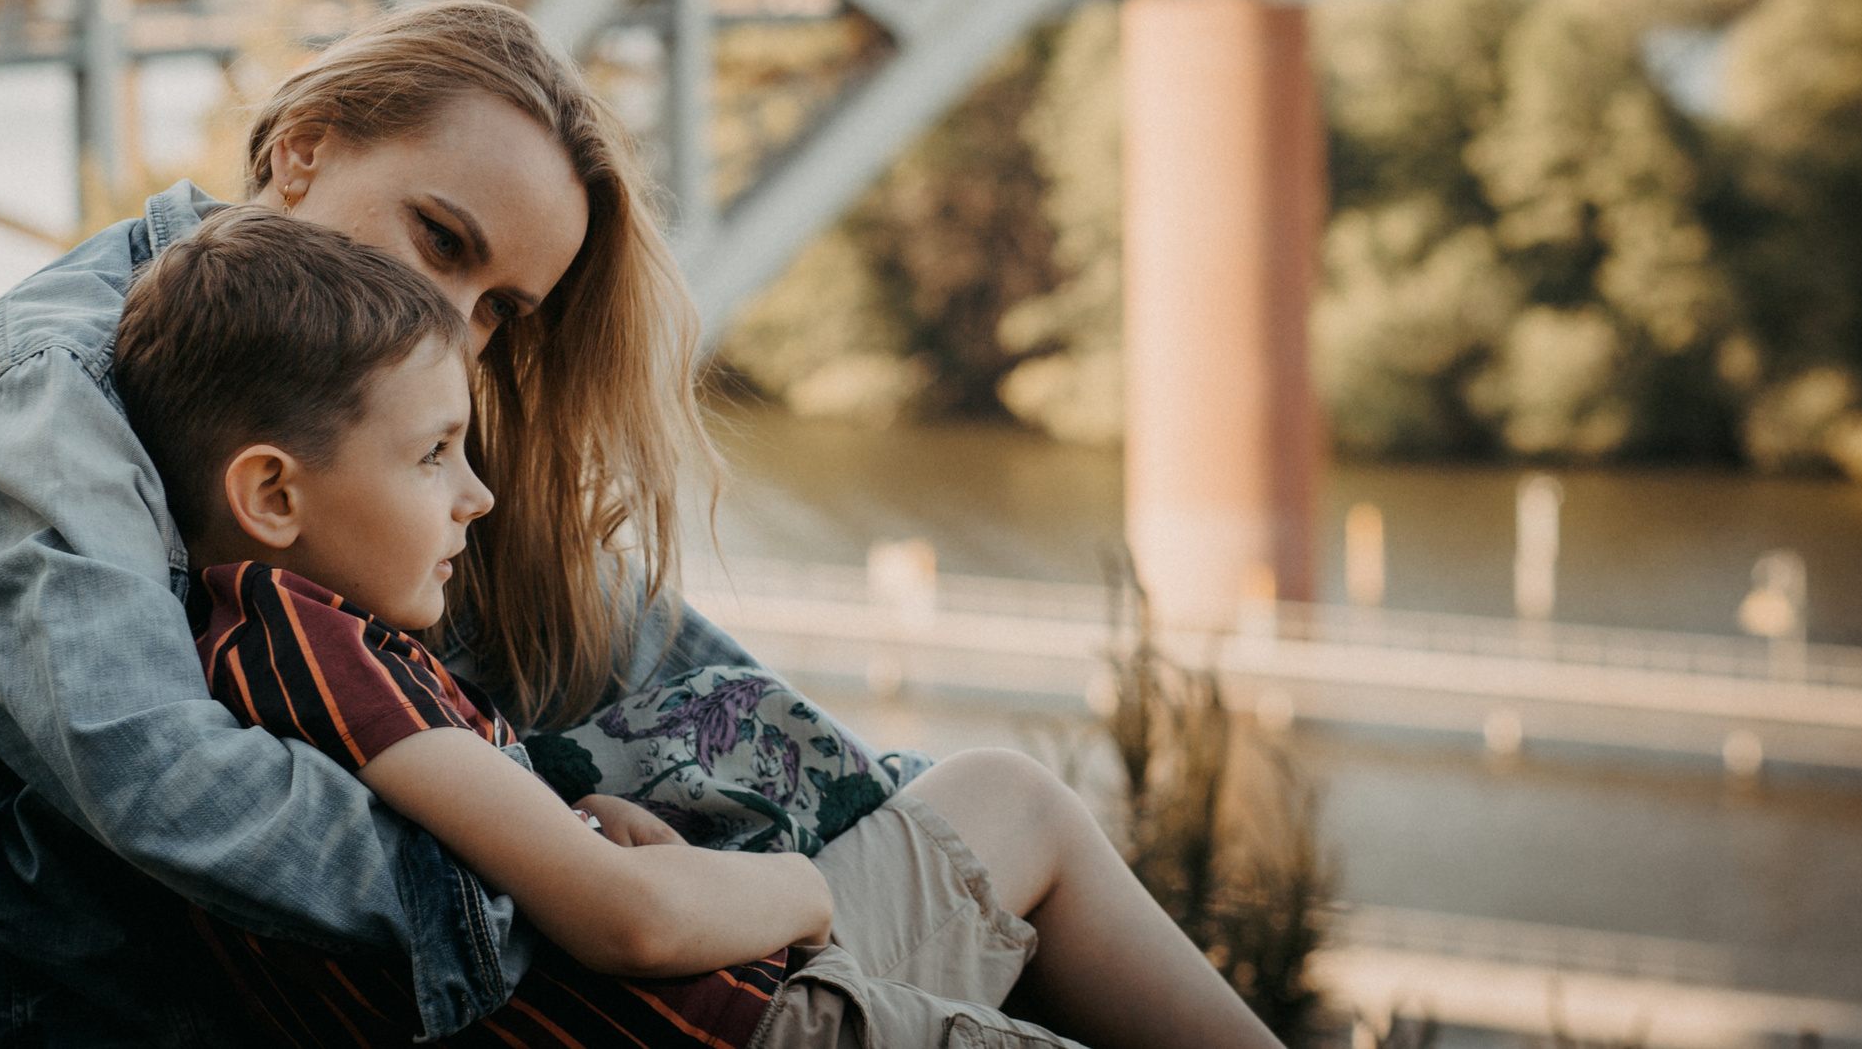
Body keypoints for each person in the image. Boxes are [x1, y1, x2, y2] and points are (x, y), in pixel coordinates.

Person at [112, 205, 1290, 1049]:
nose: (477, 495)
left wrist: (578, 830)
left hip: (740, 990)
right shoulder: (309, 646)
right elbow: (630, 925)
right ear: (273, 495)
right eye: (432, 455)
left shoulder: (291, 641)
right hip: (767, 1025)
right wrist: (801, 893)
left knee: (1010, 797)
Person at [0, 0, 774, 1044]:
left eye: (499, 310)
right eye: (440, 239)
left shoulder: (376, 409)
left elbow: (711, 706)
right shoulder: (47, 398)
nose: (458, 330)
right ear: (301, 154)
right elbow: (172, 785)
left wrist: (853, 823)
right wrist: (577, 889)